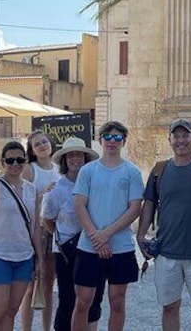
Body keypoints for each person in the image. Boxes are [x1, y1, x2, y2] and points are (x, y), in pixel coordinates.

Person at [137, 118, 191, 331]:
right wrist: (141, 235)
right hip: (166, 253)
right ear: (170, 140)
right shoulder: (159, 170)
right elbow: (149, 204)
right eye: (177, 136)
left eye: (186, 135)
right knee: (169, 307)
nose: (181, 140)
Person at [72, 120, 143, 331]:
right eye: (108, 137)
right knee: (83, 301)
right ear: (100, 140)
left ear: (123, 141)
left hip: (120, 246)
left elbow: (134, 209)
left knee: (117, 301)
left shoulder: (132, 172)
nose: (112, 141)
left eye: (117, 137)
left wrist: (106, 235)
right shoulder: (88, 170)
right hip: (89, 245)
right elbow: (79, 205)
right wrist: (96, 236)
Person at [0, 141, 43, 331]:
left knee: (12, 310)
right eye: (10, 160)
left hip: (24, 256)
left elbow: (35, 226)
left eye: (19, 160)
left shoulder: (31, 189)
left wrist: (40, 258)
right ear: (3, 162)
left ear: (26, 161)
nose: (15, 164)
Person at [41, 137, 103, 331]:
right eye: (71, 155)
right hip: (67, 252)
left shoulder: (95, 186)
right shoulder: (56, 190)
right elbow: (47, 220)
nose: (75, 159)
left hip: (92, 247)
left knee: (93, 298)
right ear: (65, 159)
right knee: (68, 298)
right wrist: (64, 240)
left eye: (79, 154)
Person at [19, 130, 61, 331]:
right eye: (37, 144)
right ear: (33, 150)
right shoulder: (29, 170)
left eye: (44, 141)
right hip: (35, 232)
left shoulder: (59, 168)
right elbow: (22, 201)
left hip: (54, 231)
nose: (43, 145)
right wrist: (44, 194)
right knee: (30, 286)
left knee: (48, 285)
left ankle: (46, 328)